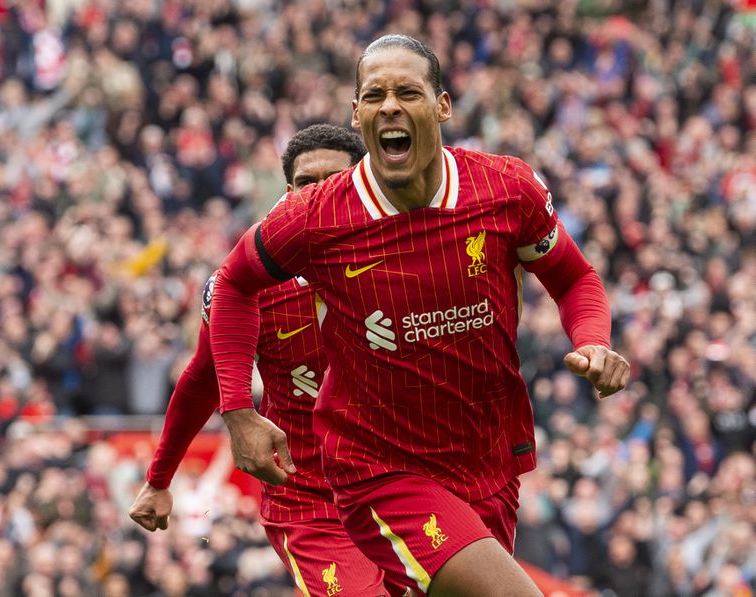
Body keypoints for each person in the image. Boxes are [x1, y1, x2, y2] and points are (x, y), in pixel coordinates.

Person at [209, 34, 631, 597]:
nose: (390, 106)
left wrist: (595, 338)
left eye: (407, 91)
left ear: (442, 105)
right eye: (374, 94)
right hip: (380, 466)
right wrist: (239, 412)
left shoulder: (506, 189)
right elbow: (233, 283)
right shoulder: (317, 216)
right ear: (357, 114)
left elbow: (574, 278)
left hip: (486, 458)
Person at [127, 124, 387, 596]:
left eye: (338, 180)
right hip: (309, 498)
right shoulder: (245, 282)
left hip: (401, 480)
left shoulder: (399, 258)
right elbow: (201, 380)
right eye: (309, 183)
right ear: (289, 193)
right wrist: (159, 479)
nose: (323, 193)